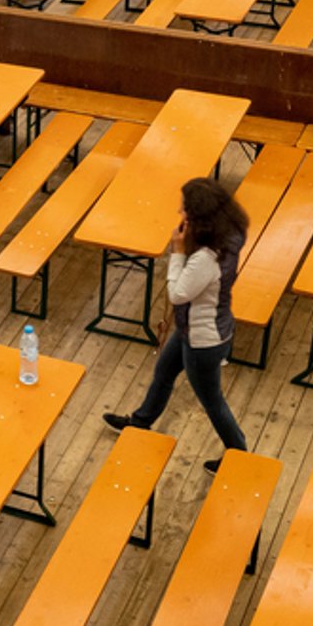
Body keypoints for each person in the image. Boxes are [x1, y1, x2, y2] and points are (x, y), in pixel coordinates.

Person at [102, 176, 249, 470]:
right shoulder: (229, 233)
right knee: (163, 373)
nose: (179, 214)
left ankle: (239, 454)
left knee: (212, 401)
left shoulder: (207, 258)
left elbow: (178, 294)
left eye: (184, 210)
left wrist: (178, 252)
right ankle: (140, 422)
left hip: (202, 340)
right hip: (196, 329)